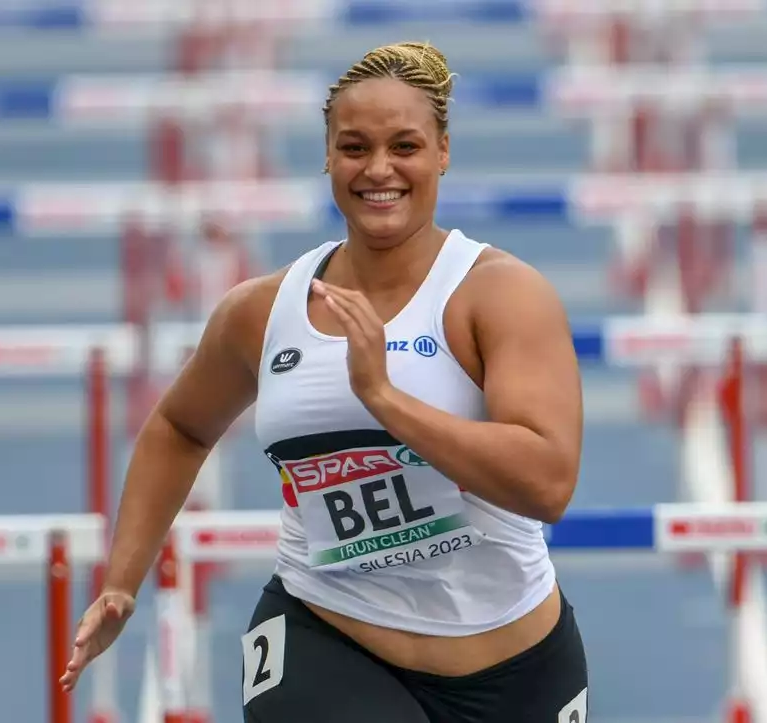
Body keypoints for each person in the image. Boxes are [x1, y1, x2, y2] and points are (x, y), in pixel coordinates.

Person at [60, 41, 589, 723]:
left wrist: (387, 401)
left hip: (514, 665)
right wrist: (122, 582)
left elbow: (547, 483)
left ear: (443, 152)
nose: (378, 170)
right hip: (325, 634)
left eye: (405, 146)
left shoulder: (497, 295)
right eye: (354, 147)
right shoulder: (262, 311)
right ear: (328, 156)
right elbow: (179, 425)